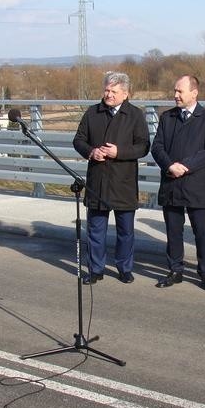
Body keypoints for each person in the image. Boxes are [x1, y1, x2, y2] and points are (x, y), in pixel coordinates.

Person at [73, 72, 150, 284]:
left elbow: (144, 146)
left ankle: (124, 267)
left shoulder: (135, 115)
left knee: (125, 231)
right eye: (106, 90)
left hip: (123, 181)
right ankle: (96, 269)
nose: (108, 95)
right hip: (98, 179)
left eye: (113, 92)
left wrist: (120, 152)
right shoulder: (92, 112)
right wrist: (91, 151)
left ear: (125, 94)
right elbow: (78, 140)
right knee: (96, 229)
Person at [151, 75, 205, 291]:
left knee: (202, 232)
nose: (175, 95)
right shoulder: (167, 117)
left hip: (196, 185)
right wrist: (170, 165)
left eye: (180, 91)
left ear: (194, 93)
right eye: (175, 91)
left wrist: (186, 166)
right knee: (173, 231)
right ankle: (175, 270)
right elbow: (157, 147)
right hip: (171, 183)